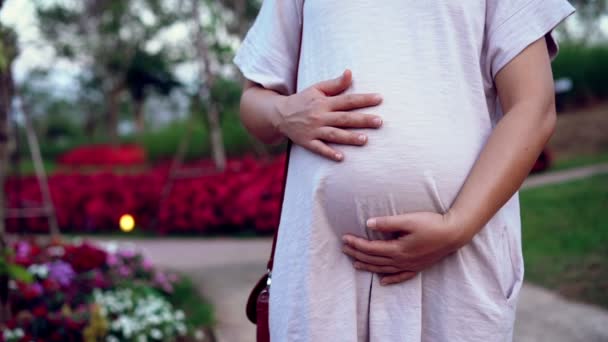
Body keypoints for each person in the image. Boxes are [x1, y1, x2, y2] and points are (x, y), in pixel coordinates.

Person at [234, 1, 575, 341]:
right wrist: (283, 112)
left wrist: (457, 226)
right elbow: (254, 100)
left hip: (456, 266)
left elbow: (534, 106)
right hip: (321, 273)